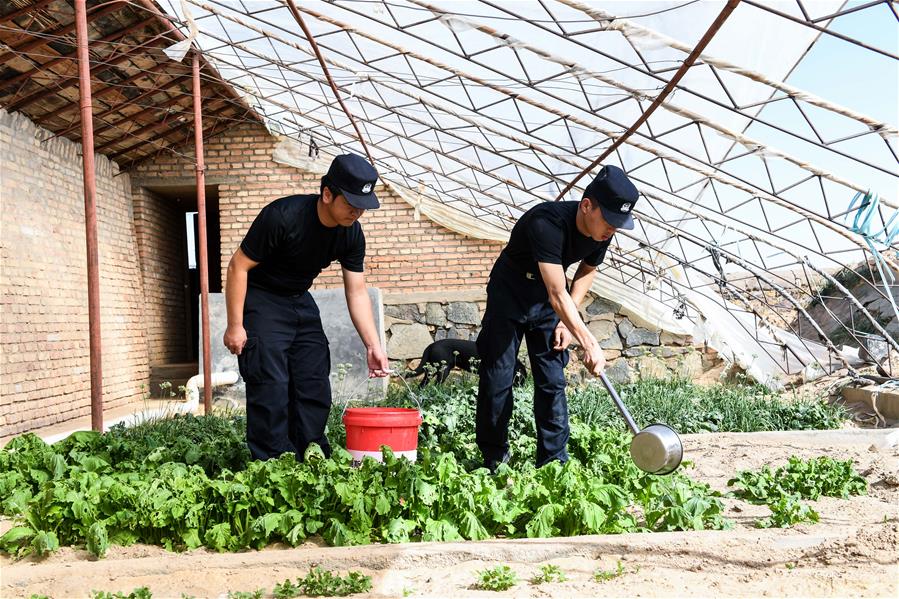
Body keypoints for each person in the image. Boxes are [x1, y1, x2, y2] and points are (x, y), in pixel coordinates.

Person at [223, 153, 389, 461]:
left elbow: (356, 291)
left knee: (313, 380)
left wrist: (373, 345)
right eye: (351, 204)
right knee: (271, 384)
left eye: (363, 206)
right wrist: (235, 325)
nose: (357, 212)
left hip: (299, 297)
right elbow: (238, 267)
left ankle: (310, 455)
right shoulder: (282, 216)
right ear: (327, 194)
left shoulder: (351, 232)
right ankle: (273, 464)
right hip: (261, 297)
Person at [476, 165, 639, 471]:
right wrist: (588, 342)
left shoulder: (603, 231)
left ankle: (553, 464)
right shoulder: (546, 222)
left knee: (552, 379)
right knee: (498, 377)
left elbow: (587, 270)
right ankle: (493, 458)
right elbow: (556, 291)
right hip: (510, 291)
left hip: (548, 298)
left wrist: (567, 322)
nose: (612, 230)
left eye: (618, 224)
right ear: (587, 206)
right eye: (609, 220)